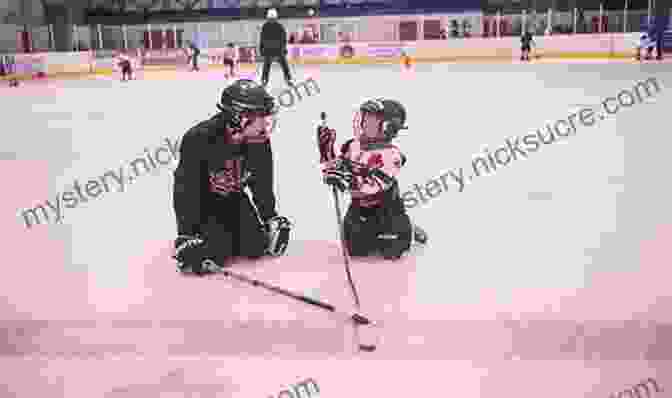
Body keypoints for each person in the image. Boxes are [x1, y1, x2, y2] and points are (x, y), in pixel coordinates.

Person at [173, 79, 292, 275]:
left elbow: (262, 182)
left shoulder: (259, 140)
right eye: (260, 116)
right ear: (239, 117)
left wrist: (269, 217)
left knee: (255, 246)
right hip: (204, 205)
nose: (266, 122)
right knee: (216, 251)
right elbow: (185, 190)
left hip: (234, 199)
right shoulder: (198, 138)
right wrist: (186, 234)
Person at [318, 100, 427, 260]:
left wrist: (346, 180)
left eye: (372, 122)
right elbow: (336, 168)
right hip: (359, 210)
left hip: (387, 213)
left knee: (392, 251)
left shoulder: (392, 155)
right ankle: (368, 232)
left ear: (388, 128)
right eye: (364, 119)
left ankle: (407, 229)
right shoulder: (353, 146)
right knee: (355, 249)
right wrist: (327, 153)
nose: (364, 124)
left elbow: (372, 185)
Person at [259, 8, 294, 87]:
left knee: (267, 66)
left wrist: (261, 49)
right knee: (283, 65)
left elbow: (262, 39)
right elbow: (283, 39)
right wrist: (284, 48)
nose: (271, 19)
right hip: (277, 50)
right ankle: (288, 79)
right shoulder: (279, 26)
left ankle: (264, 80)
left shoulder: (265, 26)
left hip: (271, 50)